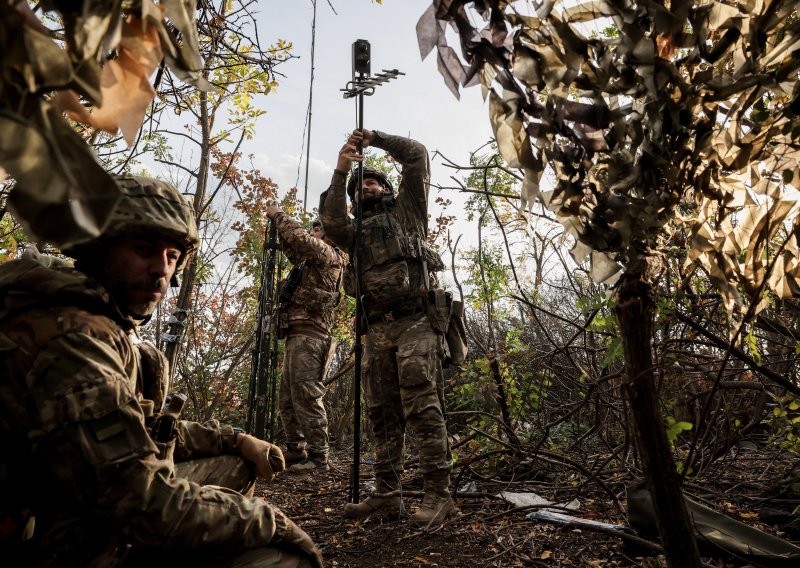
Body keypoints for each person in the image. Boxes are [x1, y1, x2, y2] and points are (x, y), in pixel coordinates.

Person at [0, 174, 323, 567]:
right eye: (143, 249)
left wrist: (233, 439)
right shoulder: (74, 338)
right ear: (98, 247)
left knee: (235, 465)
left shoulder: (84, 316)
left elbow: (133, 427)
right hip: (47, 537)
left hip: (66, 503)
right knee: (282, 559)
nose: (161, 270)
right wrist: (274, 524)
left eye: (172, 256)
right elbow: (142, 501)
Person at [319, 129, 458, 526]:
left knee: (421, 403)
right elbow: (330, 220)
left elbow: (417, 155)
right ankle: (387, 496)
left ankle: (439, 496)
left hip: (417, 321)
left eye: (373, 180)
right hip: (378, 329)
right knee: (381, 411)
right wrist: (342, 168)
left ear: (387, 188)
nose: (365, 186)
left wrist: (374, 138)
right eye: (359, 185)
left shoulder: (408, 212)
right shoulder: (352, 234)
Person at [266, 207, 346, 473]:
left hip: (312, 336)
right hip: (297, 334)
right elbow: (293, 246)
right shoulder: (310, 262)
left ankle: (318, 457)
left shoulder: (331, 256)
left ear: (331, 236)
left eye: (318, 229)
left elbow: (300, 239)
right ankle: (295, 450)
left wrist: (279, 216)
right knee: (288, 397)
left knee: (307, 395)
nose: (313, 232)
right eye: (312, 228)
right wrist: (279, 228)